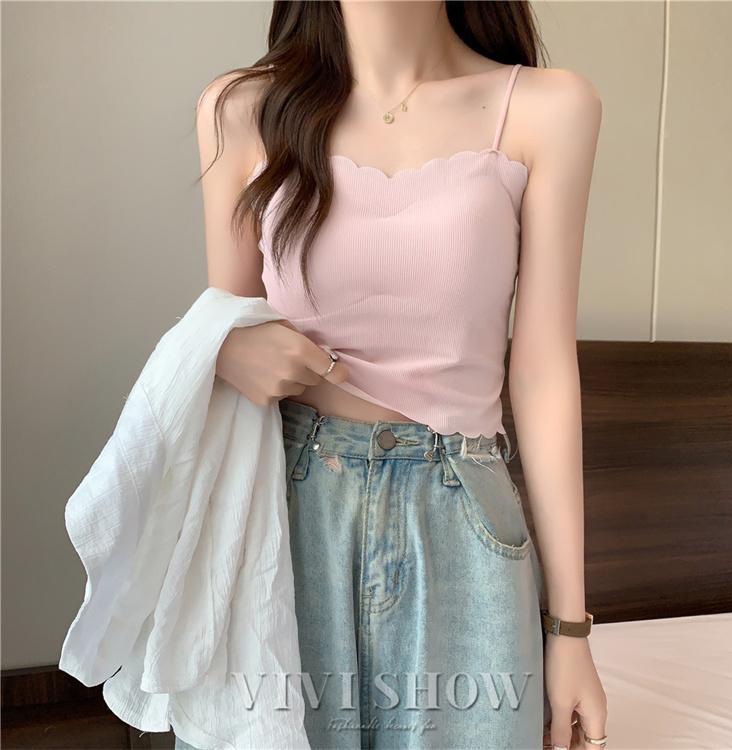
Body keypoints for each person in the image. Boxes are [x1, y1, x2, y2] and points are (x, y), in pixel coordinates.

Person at [178, 1, 606, 748]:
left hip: (463, 517)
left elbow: (542, 371)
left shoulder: (548, 108)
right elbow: (228, 329)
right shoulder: (241, 109)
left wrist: (569, 630)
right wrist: (226, 350)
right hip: (289, 510)